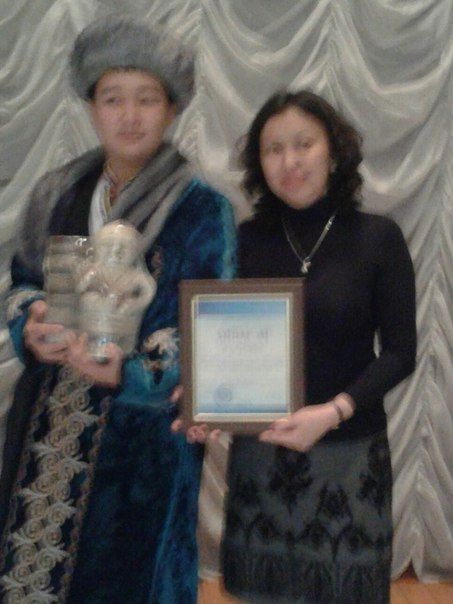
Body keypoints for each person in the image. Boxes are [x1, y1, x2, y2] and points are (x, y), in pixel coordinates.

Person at [0, 16, 235, 603]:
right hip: (46, 422)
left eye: (146, 99)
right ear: (91, 107)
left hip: (140, 442)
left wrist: (129, 374)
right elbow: (23, 282)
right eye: (113, 99)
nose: (129, 116)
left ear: (172, 109)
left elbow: (204, 330)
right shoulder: (56, 192)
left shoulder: (201, 209)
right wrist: (30, 322)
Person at [214, 90, 416, 603]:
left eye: (303, 144)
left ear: (334, 151)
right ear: (259, 163)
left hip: (349, 456)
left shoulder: (378, 237)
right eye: (273, 149)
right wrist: (208, 402)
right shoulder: (243, 240)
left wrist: (333, 412)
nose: (290, 161)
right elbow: (221, 343)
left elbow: (400, 352)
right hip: (262, 458)